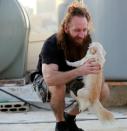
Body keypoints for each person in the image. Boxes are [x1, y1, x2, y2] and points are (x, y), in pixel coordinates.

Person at [31, 2, 110, 131]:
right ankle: (60, 124)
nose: (82, 34)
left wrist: (96, 72)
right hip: (44, 80)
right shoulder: (52, 43)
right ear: (66, 28)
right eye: (77, 30)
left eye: (84, 29)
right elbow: (50, 78)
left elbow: (93, 69)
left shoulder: (85, 40)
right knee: (58, 84)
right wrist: (80, 70)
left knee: (103, 89)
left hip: (72, 76)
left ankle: (69, 119)